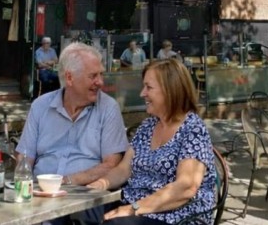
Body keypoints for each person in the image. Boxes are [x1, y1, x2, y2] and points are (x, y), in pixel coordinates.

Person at [87, 59, 216, 224]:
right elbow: (124, 169)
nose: (142, 93)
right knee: (82, 211)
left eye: (149, 87)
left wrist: (132, 208)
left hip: (177, 215)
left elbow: (186, 187)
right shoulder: (148, 126)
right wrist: (98, 185)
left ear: (171, 91)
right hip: (137, 206)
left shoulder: (192, 128)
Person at [16, 43, 128, 225]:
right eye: (93, 76)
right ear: (69, 78)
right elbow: (25, 157)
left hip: (82, 196)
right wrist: (25, 188)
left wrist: (67, 181)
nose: (100, 82)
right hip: (38, 193)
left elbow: (111, 164)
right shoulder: (40, 106)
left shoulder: (108, 108)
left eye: (101, 74)